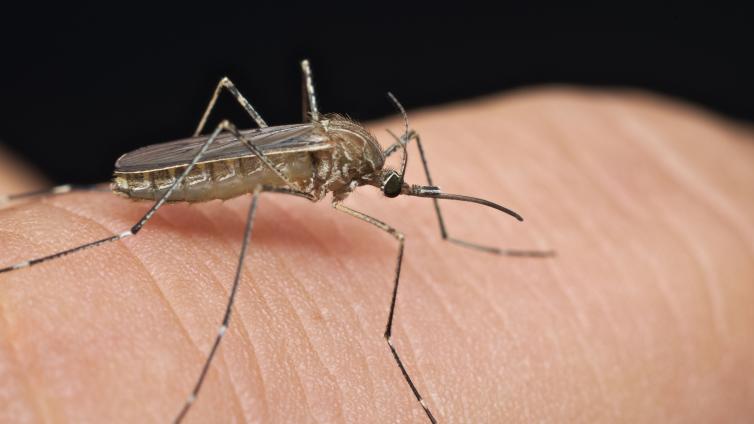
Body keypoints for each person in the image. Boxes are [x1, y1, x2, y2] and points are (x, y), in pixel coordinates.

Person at [1, 88, 752, 422]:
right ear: (370, 171)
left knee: (289, 175)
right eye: (392, 179)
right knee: (239, 143)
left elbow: (404, 149)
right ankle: (130, 236)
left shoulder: (383, 156)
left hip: (277, 158)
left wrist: (451, 224)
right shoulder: (342, 163)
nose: (397, 185)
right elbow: (263, 184)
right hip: (203, 168)